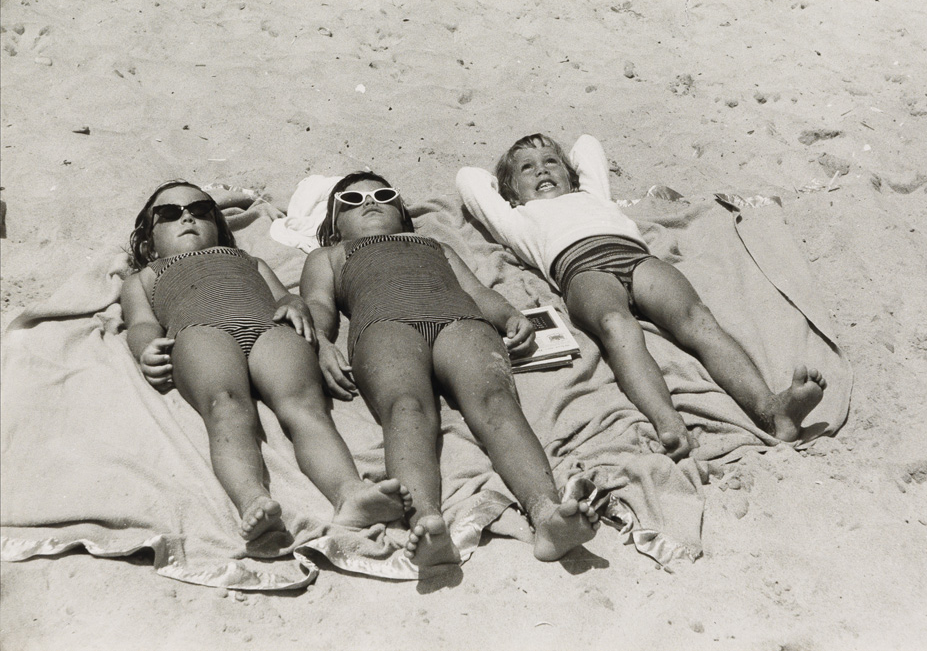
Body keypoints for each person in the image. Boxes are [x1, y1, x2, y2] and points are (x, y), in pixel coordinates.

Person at [457, 134, 828, 457]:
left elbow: (588, 145)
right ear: (511, 192)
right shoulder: (516, 218)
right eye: (527, 168)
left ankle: (772, 411)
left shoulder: (594, 196)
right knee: (616, 325)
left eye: (551, 162)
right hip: (583, 270)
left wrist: (562, 166)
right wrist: (511, 186)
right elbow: (469, 179)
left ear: (569, 175)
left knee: (697, 319)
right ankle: (668, 421)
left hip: (636, 258)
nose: (541, 171)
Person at [299, 171, 599, 568]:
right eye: (351, 201)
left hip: (459, 318)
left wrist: (509, 315)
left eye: (383, 195)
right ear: (334, 226)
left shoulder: (433, 245)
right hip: (385, 324)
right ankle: (427, 523)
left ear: (402, 213)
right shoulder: (329, 256)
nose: (369, 202)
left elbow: (475, 291)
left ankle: (545, 515)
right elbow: (318, 303)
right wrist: (320, 344)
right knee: (405, 408)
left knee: (497, 402)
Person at [120, 180, 411, 541]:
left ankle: (349, 492)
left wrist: (293, 306)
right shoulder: (144, 277)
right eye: (169, 214)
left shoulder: (248, 261)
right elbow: (140, 323)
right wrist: (146, 347)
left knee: (306, 405)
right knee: (224, 407)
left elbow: (283, 299)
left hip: (266, 327)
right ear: (148, 243)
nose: (186, 218)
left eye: (199, 211)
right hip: (200, 330)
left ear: (219, 227)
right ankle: (253, 499)